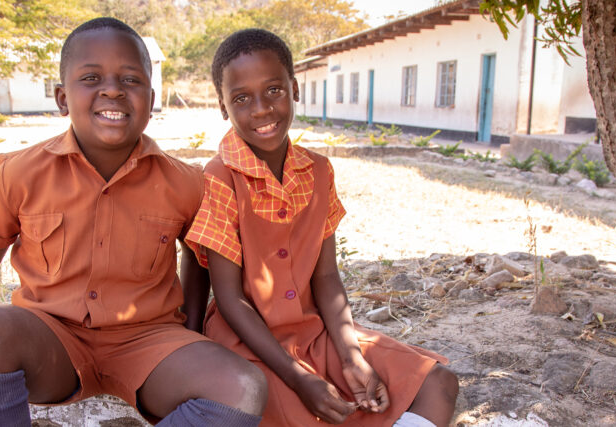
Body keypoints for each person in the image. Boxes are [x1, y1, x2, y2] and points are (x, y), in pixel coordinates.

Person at [0, 17, 266, 427]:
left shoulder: (187, 182)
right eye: (91, 77)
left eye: (130, 80)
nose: (112, 89)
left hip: (150, 343)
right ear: (61, 97)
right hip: (50, 340)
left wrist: (192, 335)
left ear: (151, 96)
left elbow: (197, 260)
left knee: (242, 387)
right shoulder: (16, 172)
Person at [185, 28, 459, 427]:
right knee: (296, 412)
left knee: (437, 384)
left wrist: (352, 357)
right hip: (247, 343)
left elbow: (327, 277)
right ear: (223, 107)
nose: (261, 109)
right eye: (242, 98)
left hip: (315, 333)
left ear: (295, 89)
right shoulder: (220, 177)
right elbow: (229, 298)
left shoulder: (317, 171)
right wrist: (299, 379)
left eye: (274, 90)